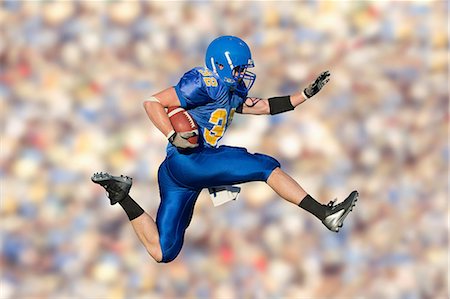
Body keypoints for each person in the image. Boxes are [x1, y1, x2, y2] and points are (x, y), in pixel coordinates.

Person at [92, 36, 358, 263]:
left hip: (177, 172)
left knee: (164, 251)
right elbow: (152, 103)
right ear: (220, 66)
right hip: (191, 160)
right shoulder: (203, 82)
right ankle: (325, 213)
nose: (244, 74)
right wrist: (173, 134)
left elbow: (263, 106)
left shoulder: (231, 89)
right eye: (239, 68)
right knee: (265, 166)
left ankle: (121, 194)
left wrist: (305, 94)